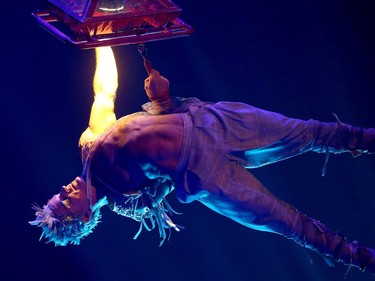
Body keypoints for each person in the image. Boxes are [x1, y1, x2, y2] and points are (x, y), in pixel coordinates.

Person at [30, 46, 375, 274]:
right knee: (287, 223)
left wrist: (100, 38)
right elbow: (162, 185)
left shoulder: (89, 146)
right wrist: (162, 104)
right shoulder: (127, 201)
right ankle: (363, 259)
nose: (64, 189)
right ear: (85, 214)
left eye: (57, 194)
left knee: (311, 132)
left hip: (209, 124)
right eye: (64, 201)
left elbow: (104, 91)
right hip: (205, 175)